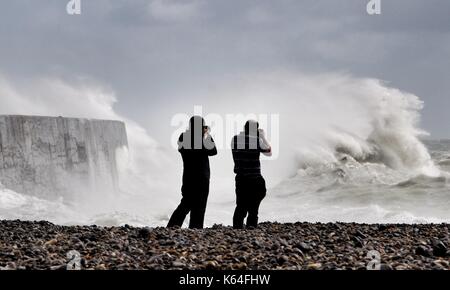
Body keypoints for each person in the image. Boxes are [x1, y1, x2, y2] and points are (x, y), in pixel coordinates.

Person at [167, 116, 217, 229]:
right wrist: (206, 135)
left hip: (188, 177)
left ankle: (171, 228)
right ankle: (195, 229)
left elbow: (181, 148)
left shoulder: (183, 136)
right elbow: (213, 151)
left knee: (185, 204)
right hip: (202, 177)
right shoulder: (202, 138)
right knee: (199, 207)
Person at [231, 120, 272, 229]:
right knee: (255, 204)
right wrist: (262, 136)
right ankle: (251, 226)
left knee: (240, 206)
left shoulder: (234, 139)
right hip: (254, 177)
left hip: (240, 177)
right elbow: (269, 152)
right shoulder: (256, 140)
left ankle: (237, 228)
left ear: (245, 128)